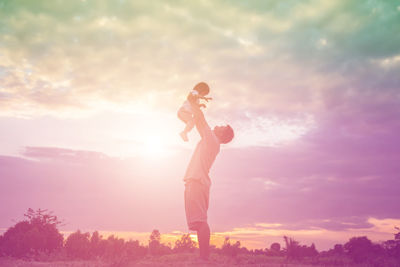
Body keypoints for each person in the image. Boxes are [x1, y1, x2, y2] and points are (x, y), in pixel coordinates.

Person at [183, 90, 234, 261]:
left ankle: (204, 259)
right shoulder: (211, 140)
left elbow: (200, 119)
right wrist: (195, 103)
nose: (218, 125)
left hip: (197, 182)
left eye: (221, 127)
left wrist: (194, 101)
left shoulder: (212, 139)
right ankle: (203, 258)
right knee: (199, 222)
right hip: (198, 182)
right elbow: (199, 120)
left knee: (200, 222)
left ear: (222, 134)